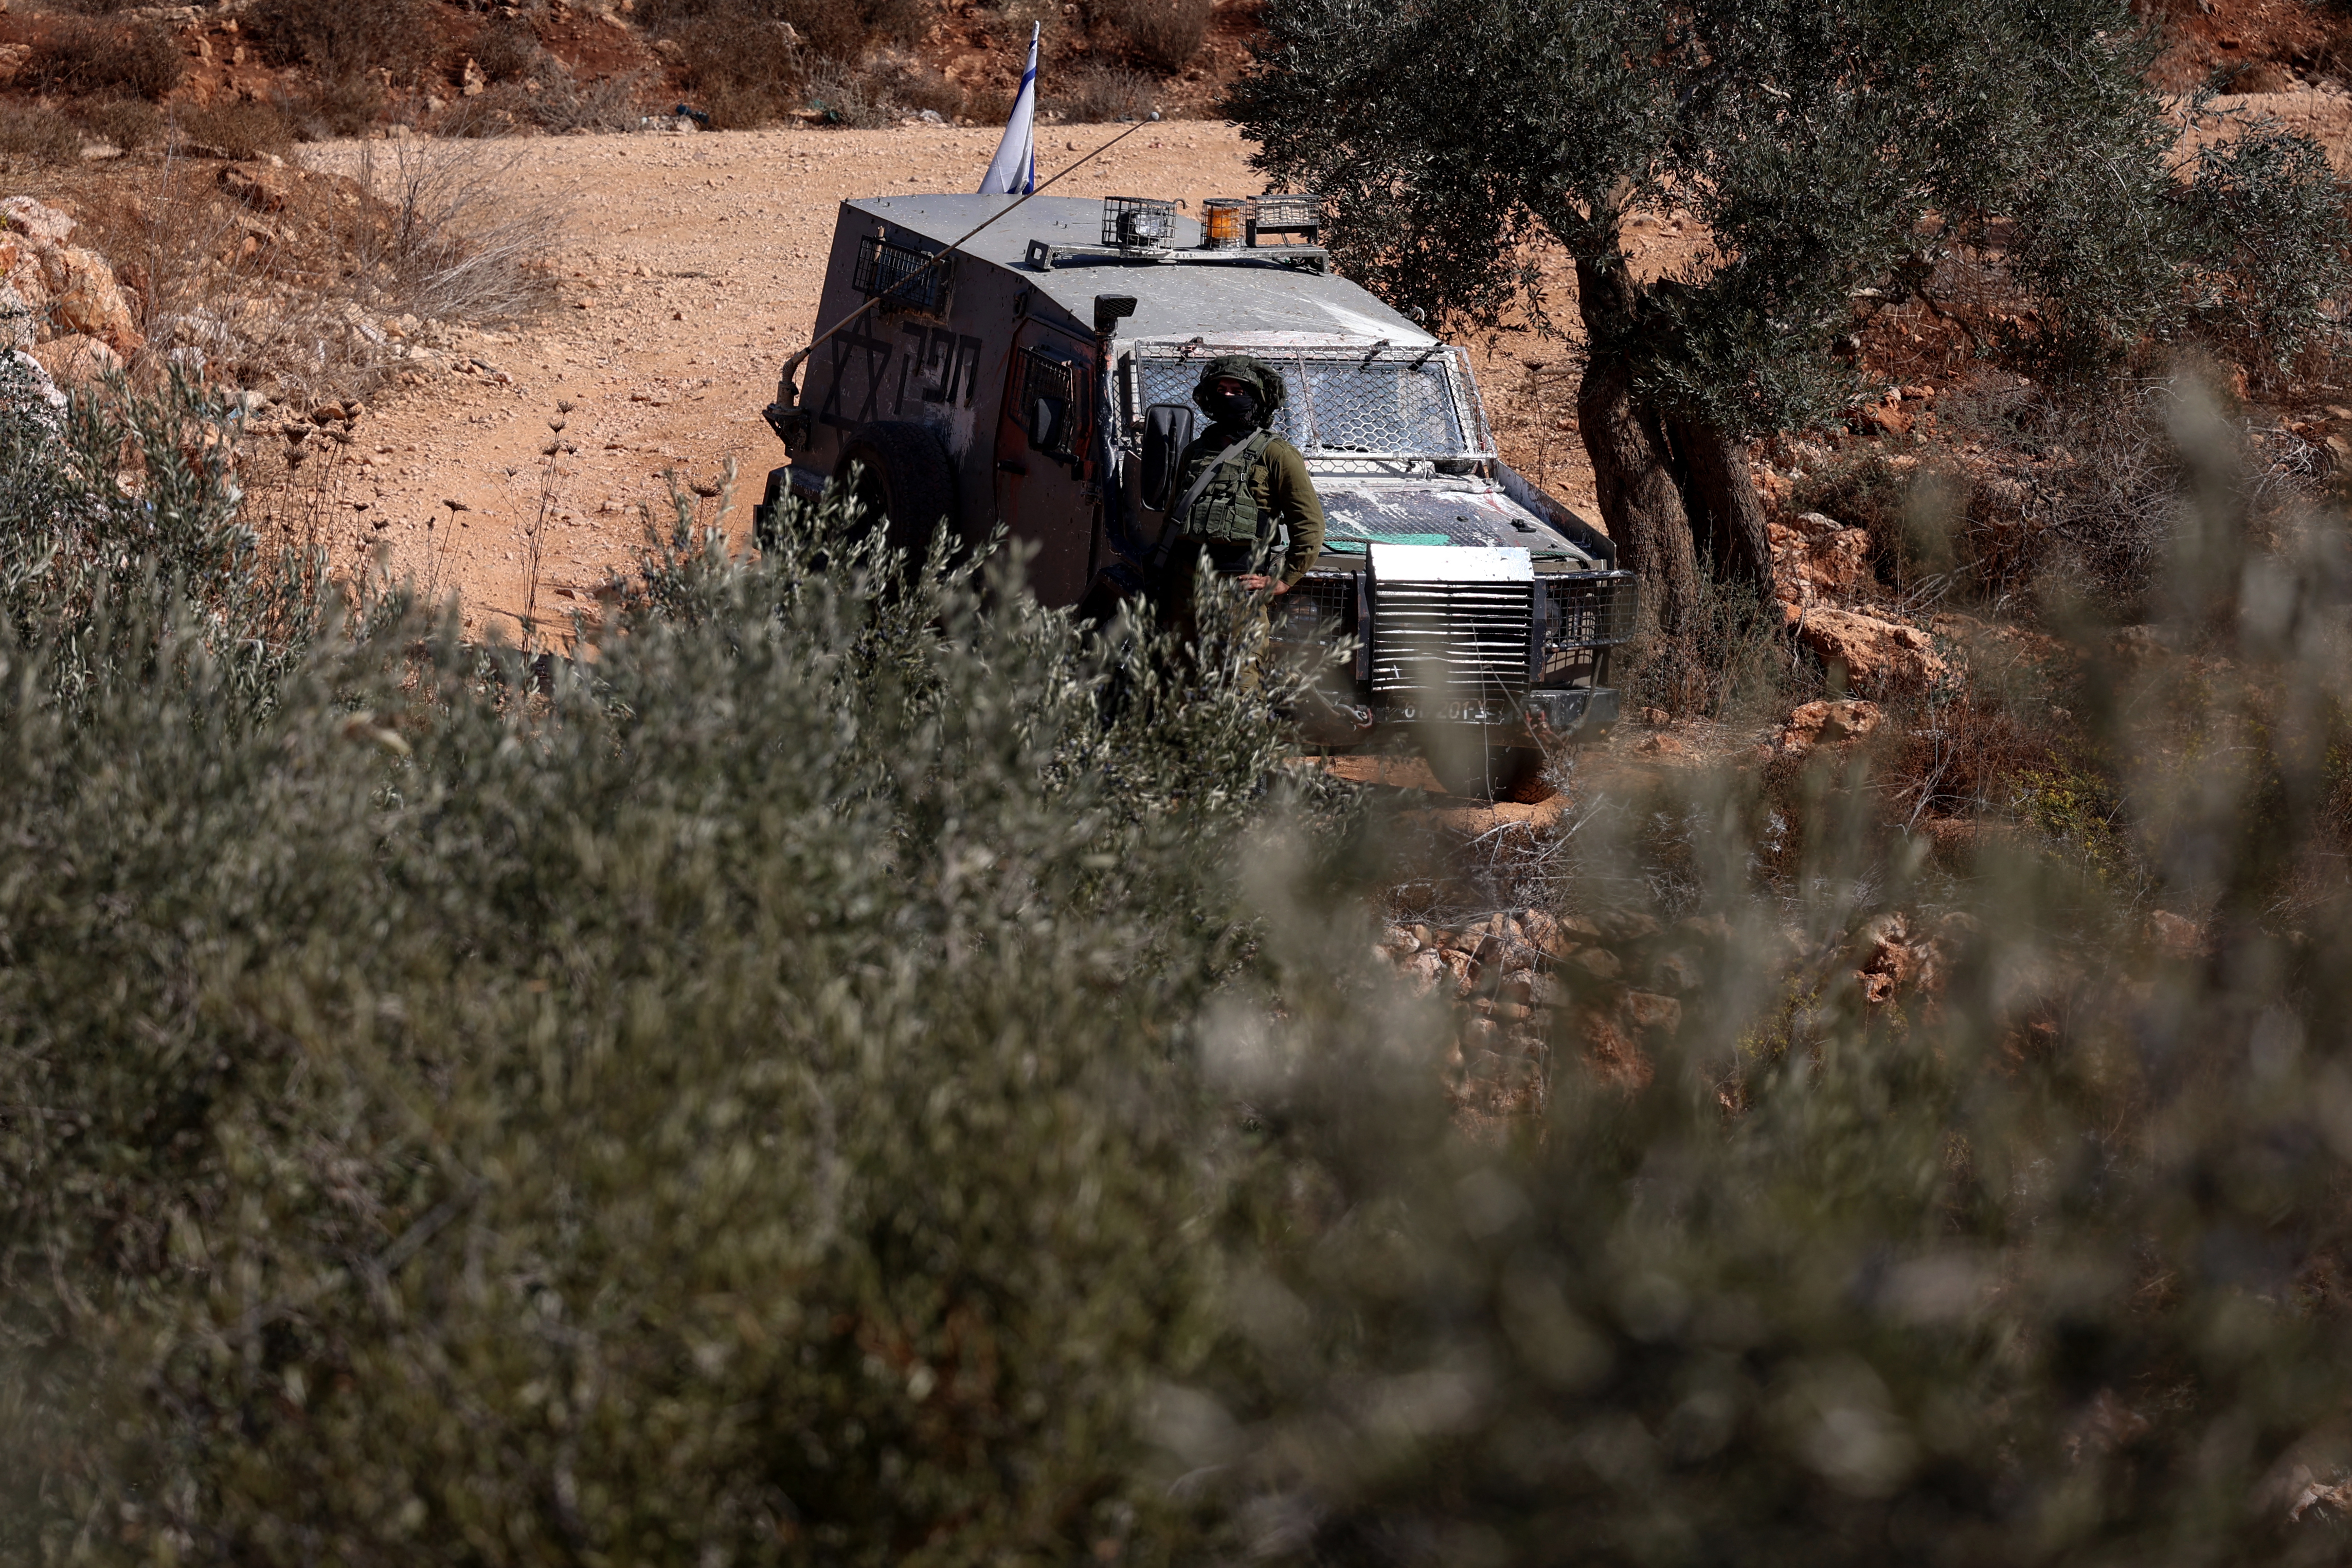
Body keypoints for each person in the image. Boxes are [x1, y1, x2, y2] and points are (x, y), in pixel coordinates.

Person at [1153, 354, 1324, 650]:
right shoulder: (1195, 452)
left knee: (1239, 681)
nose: (1228, 397)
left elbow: (1309, 527)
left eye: (1238, 391)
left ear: (1255, 400)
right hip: (1185, 584)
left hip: (1238, 585)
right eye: (1221, 391)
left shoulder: (1278, 455)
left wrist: (1283, 580)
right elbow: (1173, 517)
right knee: (1180, 679)